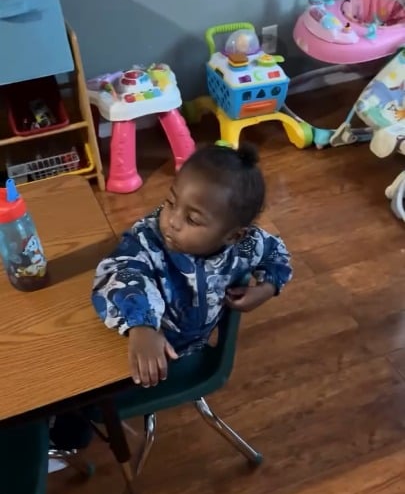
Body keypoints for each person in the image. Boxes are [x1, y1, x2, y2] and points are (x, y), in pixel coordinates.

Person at [92, 142, 292, 388]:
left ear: (233, 236)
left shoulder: (245, 245)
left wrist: (267, 288)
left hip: (189, 356)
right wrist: (142, 325)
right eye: (171, 202)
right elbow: (118, 271)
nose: (172, 221)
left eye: (192, 219)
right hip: (140, 350)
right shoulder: (147, 238)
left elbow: (276, 253)